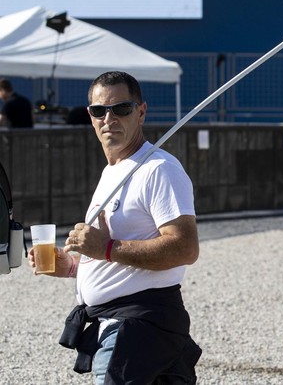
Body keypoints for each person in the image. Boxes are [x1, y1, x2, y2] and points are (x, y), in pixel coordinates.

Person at [28, 71, 201, 384]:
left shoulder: (158, 169)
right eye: (99, 110)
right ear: (90, 116)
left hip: (139, 324)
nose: (109, 118)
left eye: (120, 109)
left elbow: (184, 248)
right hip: (130, 326)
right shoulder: (114, 170)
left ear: (141, 111)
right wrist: (70, 266)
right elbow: (114, 251)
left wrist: (104, 248)